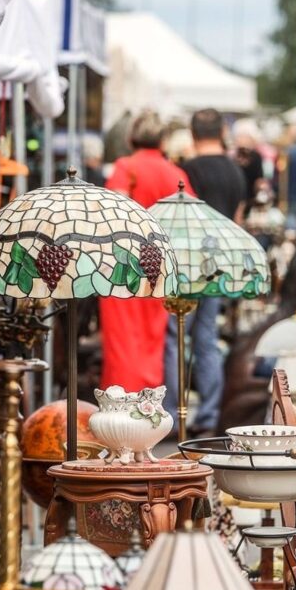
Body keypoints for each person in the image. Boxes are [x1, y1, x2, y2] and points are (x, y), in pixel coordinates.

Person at [163, 108, 247, 436]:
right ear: (222, 132)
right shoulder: (236, 172)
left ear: (193, 133)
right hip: (218, 262)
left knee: (174, 336)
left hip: (186, 263)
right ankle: (210, 415)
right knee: (207, 337)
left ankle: (172, 413)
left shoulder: (186, 170)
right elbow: (237, 221)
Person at [100, 110, 195, 392]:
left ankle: (120, 401)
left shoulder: (125, 168)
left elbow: (110, 213)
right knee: (152, 339)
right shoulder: (175, 174)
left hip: (120, 267)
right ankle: (148, 401)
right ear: (163, 141)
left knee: (123, 342)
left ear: (130, 138)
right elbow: (188, 221)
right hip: (158, 268)